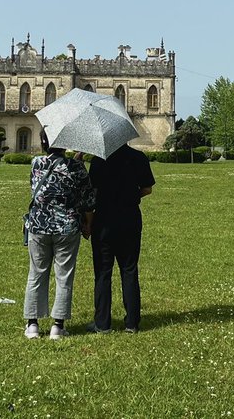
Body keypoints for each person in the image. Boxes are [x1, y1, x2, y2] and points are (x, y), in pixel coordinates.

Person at [23, 135, 95, 340]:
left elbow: (36, 190)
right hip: (67, 227)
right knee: (63, 275)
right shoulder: (76, 167)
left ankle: (32, 325)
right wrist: (88, 223)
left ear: (44, 144)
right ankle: (57, 326)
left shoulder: (36, 162)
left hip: (39, 225)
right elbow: (88, 199)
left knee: (36, 273)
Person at [86, 143, 155, 334]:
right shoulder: (138, 157)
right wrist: (132, 196)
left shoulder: (99, 160)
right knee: (129, 269)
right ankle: (132, 323)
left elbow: (92, 192)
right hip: (129, 218)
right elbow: (148, 188)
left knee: (103, 271)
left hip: (104, 220)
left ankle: (102, 323)